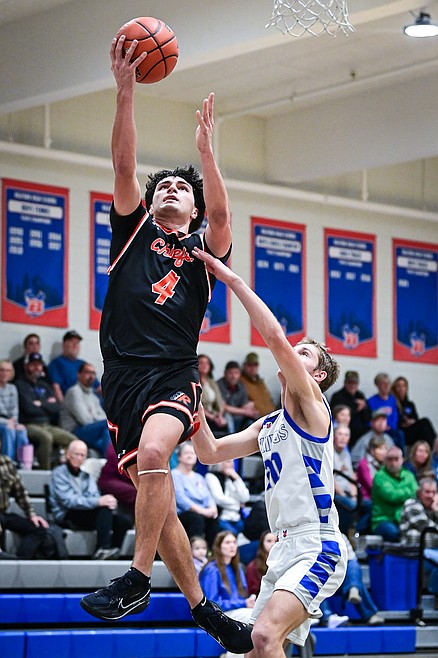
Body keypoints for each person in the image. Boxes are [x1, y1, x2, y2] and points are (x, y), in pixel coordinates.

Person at [79, 32, 252, 656]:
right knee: (162, 501)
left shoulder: (204, 250)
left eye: (182, 188)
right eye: (164, 187)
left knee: (156, 453)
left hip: (174, 374)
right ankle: (204, 610)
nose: (170, 190)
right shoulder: (131, 232)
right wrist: (125, 92)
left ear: (194, 207)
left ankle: (136, 577)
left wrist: (207, 154)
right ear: (149, 203)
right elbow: (124, 164)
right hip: (120, 379)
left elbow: (224, 217)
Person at [191, 248, 347, 658]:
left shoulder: (315, 410)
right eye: (296, 348)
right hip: (281, 547)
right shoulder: (268, 424)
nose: (292, 352)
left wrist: (231, 279)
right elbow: (209, 452)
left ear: (317, 376)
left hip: (317, 544)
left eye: (304, 353)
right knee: (254, 648)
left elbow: (275, 338)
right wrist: (192, 398)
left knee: (263, 637)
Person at [49, 439, 132, 559]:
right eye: (76, 454)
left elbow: (94, 495)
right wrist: (98, 502)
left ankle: (113, 552)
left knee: (124, 521)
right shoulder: (59, 473)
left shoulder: (86, 476)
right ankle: (103, 549)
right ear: (68, 455)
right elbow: (69, 501)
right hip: (66, 514)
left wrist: (106, 501)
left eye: (82, 455)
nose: (79, 458)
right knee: (103, 509)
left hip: (85, 513)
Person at [0, 434, 58, 559]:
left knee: (38, 529)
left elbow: (20, 492)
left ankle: (20, 561)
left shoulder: (6, 463)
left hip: (3, 513)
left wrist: (31, 514)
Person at [15, 353, 76, 469]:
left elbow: (57, 407)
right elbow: (29, 409)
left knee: (72, 440)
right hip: (28, 424)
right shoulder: (20, 384)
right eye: (33, 365)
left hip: (47, 424)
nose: (37, 368)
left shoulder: (44, 385)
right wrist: (47, 403)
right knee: (46, 437)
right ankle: (45, 471)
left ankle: (59, 469)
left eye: (39, 365)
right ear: (26, 366)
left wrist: (40, 403)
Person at [200, 531, 256, 658]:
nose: (232, 546)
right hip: (220, 613)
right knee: (253, 617)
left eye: (234, 542)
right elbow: (212, 603)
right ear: (219, 546)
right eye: (227, 542)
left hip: (237, 611)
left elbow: (242, 595)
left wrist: (249, 601)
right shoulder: (211, 570)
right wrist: (243, 603)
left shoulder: (238, 568)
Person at [172, 441, 219, 548]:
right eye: (186, 453)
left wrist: (212, 508)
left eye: (192, 453)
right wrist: (202, 511)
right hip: (184, 513)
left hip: (202, 512)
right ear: (179, 457)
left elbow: (208, 496)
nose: (190, 456)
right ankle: (193, 551)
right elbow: (181, 499)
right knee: (197, 519)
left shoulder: (199, 477)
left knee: (213, 518)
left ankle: (211, 552)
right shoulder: (175, 475)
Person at [60, 362, 110, 457]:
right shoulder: (74, 392)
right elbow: (84, 420)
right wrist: (96, 419)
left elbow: (102, 415)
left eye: (93, 373)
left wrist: (95, 418)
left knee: (106, 433)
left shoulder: (92, 395)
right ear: (79, 374)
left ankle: (109, 461)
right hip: (75, 431)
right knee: (108, 424)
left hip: (90, 430)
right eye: (87, 372)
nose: (91, 376)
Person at [399, 477, 438, 600]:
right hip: (413, 553)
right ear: (419, 492)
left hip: (432, 553)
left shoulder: (434, 508)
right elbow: (427, 529)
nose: (430, 496)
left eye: (433, 492)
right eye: (427, 492)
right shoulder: (411, 504)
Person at [371, 446, 418, 542]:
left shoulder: (409, 475)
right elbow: (392, 496)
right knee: (395, 534)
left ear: (402, 460)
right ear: (385, 461)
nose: (393, 463)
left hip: (407, 518)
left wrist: (404, 493)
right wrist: (409, 491)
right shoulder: (380, 476)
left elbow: (417, 494)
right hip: (384, 519)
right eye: (390, 459)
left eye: (396, 459)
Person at [205, 459, 250, 535]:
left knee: (250, 532)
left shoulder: (232, 478)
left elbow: (245, 498)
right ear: (218, 463)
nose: (232, 464)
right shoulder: (211, 476)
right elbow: (219, 499)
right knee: (233, 534)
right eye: (228, 461)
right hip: (221, 517)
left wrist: (237, 478)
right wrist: (238, 504)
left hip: (237, 517)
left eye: (233, 461)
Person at [391, 376, 436, 448]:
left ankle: (435, 444)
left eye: (403, 386)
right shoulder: (392, 403)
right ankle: (433, 447)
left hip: (413, 429)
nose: (401, 388)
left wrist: (412, 421)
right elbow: (394, 421)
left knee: (425, 422)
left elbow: (416, 418)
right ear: (395, 388)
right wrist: (404, 423)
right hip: (404, 432)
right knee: (424, 423)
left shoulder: (410, 404)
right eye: (399, 386)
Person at [355, 436, 388, 534]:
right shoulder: (364, 464)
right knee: (374, 506)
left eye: (385, 449)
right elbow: (371, 485)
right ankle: (358, 531)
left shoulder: (384, 465)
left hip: (379, 496)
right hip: (365, 498)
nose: (384, 452)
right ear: (373, 450)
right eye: (380, 449)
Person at [330, 370, 371, 446]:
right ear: (345, 383)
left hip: (359, 433)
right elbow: (334, 416)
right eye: (350, 383)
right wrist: (356, 409)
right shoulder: (337, 396)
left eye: (355, 383)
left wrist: (364, 408)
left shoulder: (360, 395)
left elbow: (367, 417)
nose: (352, 386)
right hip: (342, 430)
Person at [98, 443, 137, 521]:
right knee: (136, 493)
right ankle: (138, 523)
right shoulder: (116, 444)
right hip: (109, 479)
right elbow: (122, 467)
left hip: (126, 479)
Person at [0, 360, 29, 461]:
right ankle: (8, 462)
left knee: (21, 430)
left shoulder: (12, 388)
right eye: (2, 370)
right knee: (9, 430)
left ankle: (23, 463)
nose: (5, 373)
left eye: (8, 370)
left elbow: (15, 410)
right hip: (2, 422)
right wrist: (6, 422)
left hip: (10, 421)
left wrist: (15, 423)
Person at [217, 361, 258, 433]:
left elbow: (245, 404)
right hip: (223, 416)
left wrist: (249, 407)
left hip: (238, 416)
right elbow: (223, 406)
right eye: (230, 373)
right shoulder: (219, 385)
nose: (233, 376)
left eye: (236, 373)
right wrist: (244, 411)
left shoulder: (241, 386)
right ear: (225, 373)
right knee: (228, 417)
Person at [367, 373, 404, 451]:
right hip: (376, 430)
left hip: (390, 429)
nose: (387, 386)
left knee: (400, 434)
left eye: (388, 383)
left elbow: (395, 418)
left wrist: (389, 426)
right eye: (383, 383)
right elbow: (368, 420)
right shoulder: (371, 401)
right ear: (378, 385)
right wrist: (378, 426)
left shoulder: (393, 400)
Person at [333, 424, 358, 536]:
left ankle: (354, 533)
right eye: (340, 434)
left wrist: (354, 493)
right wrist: (342, 493)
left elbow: (351, 475)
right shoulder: (329, 452)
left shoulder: (346, 454)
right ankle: (343, 534)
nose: (343, 437)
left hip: (347, 492)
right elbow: (331, 477)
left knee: (366, 505)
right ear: (334, 436)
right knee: (351, 505)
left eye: (346, 435)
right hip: (335, 493)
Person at [48, 330, 86, 402]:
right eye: (72, 342)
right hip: (72, 401)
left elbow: (97, 386)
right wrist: (64, 405)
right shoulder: (57, 363)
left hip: (90, 400)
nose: (75, 345)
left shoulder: (83, 364)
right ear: (64, 345)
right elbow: (56, 387)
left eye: (77, 343)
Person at [198, 354, 228, 438]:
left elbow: (220, 401)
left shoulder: (212, 382)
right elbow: (196, 403)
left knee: (225, 423)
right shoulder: (194, 382)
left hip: (214, 414)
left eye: (207, 363)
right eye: (201, 363)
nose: (204, 365)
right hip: (202, 415)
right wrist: (211, 417)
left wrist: (219, 416)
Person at [240, 353, 276, 418]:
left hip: (270, 417)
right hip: (254, 418)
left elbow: (269, 400)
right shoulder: (240, 381)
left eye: (255, 365)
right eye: (249, 365)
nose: (252, 368)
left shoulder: (261, 383)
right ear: (244, 366)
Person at [245, 530, 277, 597]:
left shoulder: (285, 563)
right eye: (269, 541)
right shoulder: (253, 566)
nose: (273, 544)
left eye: (276, 541)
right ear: (262, 543)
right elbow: (253, 591)